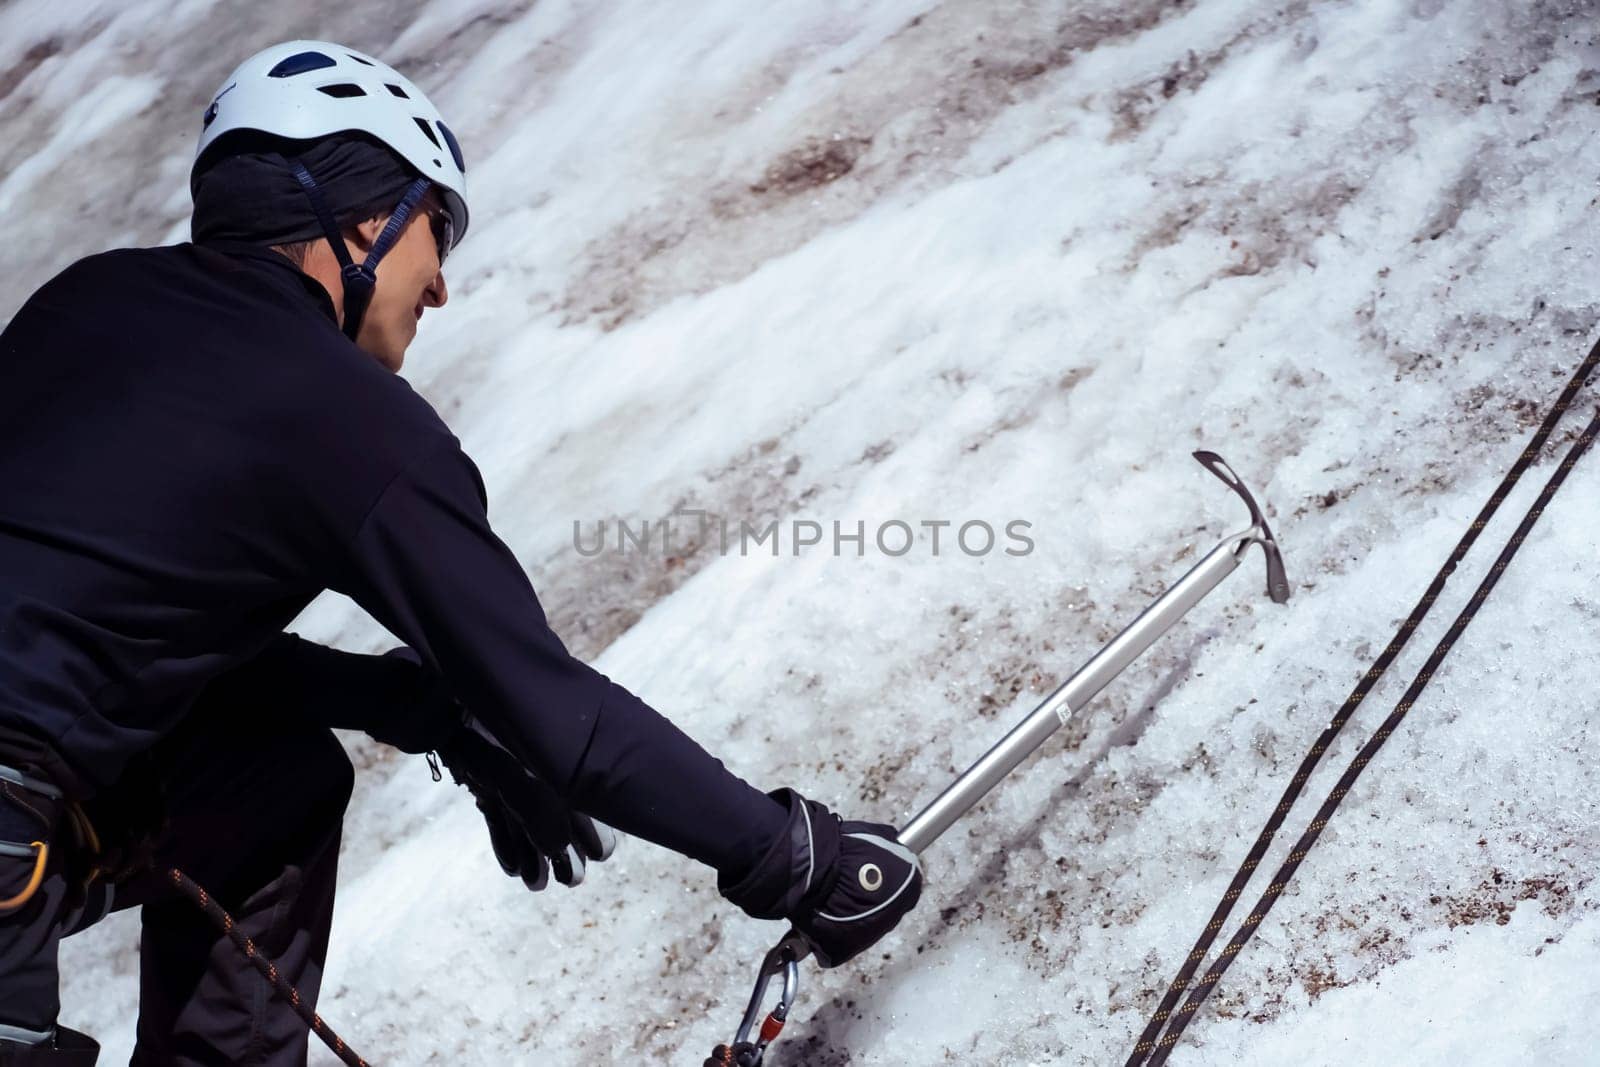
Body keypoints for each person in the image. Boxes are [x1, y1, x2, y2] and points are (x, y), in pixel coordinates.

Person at [0, 40, 921, 1066]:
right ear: (360, 219)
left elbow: (105, 639)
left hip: (33, 817)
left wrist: (406, 702)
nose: (438, 287)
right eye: (435, 232)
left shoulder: (82, 306)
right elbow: (555, 711)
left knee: (271, 780)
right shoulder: (341, 412)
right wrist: (792, 857)